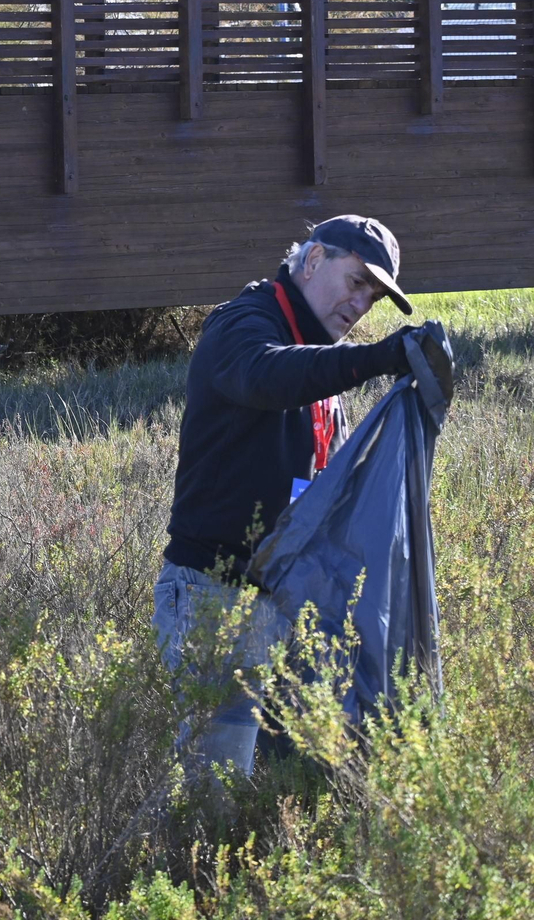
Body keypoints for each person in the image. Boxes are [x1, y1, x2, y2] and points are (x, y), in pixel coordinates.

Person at [155, 215, 422, 780]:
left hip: (288, 607)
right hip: (214, 595)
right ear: (313, 260)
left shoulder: (320, 362)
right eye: (356, 283)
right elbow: (265, 375)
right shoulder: (245, 323)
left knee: (283, 794)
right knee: (215, 798)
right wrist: (378, 358)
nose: (360, 306)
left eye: (372, 298)